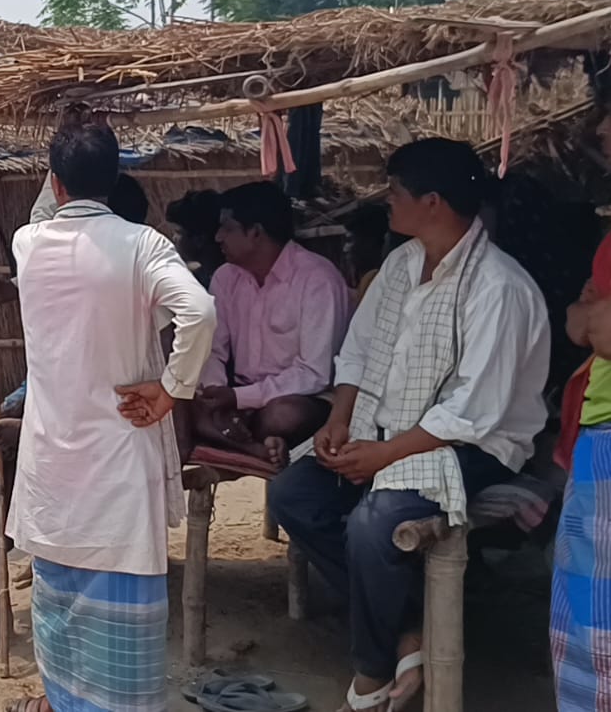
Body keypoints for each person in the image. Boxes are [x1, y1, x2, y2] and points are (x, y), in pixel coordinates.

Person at [268, 138, 550, 712]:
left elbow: (474, 410)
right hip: (388, 429)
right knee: (293, 493)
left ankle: (371, 674)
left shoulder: (499, 287)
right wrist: (340, 420)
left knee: (375, 524)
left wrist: (384, 455)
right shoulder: (400, 264)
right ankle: (408, 629)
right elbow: (358, 351)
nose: (386, 201)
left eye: (395, 192)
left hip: (476, 444)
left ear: (433, 202)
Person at [3, 121, 214, 712]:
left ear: (54, 182)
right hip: (121, 456)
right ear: (117, 178)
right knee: (120, 620)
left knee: (58, 605)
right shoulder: (143, 245)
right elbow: (199, 312)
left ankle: (61, 701)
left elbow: (46, 213)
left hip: (52, 463)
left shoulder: (27, 243)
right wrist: (171, 390)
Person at [0, 172, 149, 582]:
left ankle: (44, 553)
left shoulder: (125, 278)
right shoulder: (62, 263)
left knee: (38, 447)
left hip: (91, 402)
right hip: (49, 388)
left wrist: (28, 426)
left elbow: (95, 386)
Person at [177, 181, 351, 474]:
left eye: (227, 228)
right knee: (180, 407)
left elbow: (315, 374)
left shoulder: (317, 279)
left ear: (255, 232)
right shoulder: (225, 277)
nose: (218, 237)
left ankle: (239, 436)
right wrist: (216, 393)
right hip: (238, 396)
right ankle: (255, 446)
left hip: (305, 397)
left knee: (282, 416)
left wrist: (239, 398)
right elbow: (213, 349)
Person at [553, 110, 611, 711]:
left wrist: (591, 318)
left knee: (599, 619)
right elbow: (580, 322)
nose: (602, 132)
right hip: (596, 430)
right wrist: (590, 319)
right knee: (584, 613)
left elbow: (601, 328)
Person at [164, 189, 226, 288]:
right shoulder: (200, 275)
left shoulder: (223, 282)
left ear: (199, 239)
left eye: (178, 233)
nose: (174, 238)